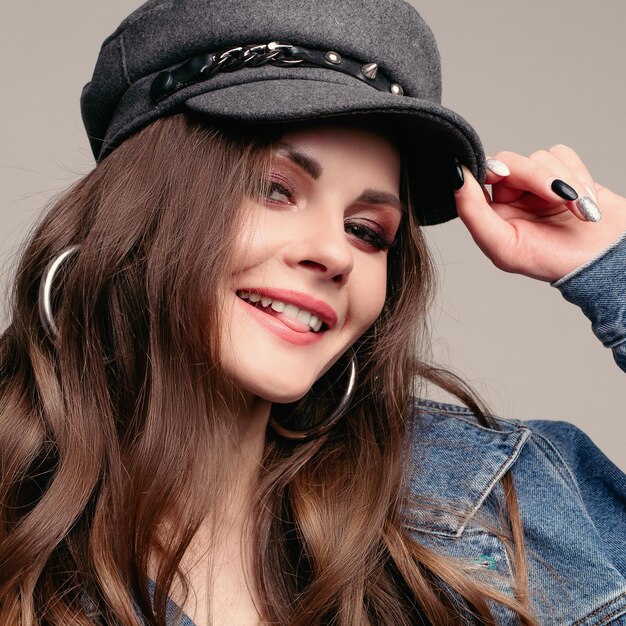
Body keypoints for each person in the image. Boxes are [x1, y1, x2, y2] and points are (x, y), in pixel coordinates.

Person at [0, 1, 624, 625]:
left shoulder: (502, 511)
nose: (333, 254)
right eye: (276, 190)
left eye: (366, 230)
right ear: (144, 208)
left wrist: (613, 268)